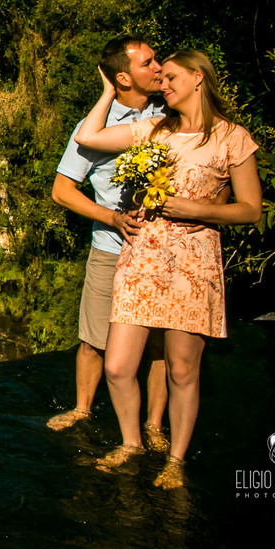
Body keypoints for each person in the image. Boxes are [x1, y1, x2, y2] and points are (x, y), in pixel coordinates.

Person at [75, 49, 262, 489]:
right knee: (119, 366)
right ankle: (131, 443)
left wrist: (195, 207)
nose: (163, 85)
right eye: (162, 79)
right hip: (143, 257)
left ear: (198, 78)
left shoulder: (232, 138)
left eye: (172, 77)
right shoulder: (154, 130)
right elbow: (89, 136)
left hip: (192, 262)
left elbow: (251, 209)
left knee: (181, 369)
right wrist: (107, 91)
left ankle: (175, 459)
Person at [48, 37, 169, 453]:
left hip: (160, 251)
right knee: (93, 338)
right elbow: (62, 190)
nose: (159, 67)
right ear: (123, 77)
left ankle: (154, 425)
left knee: (158, 342)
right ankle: (82, 408)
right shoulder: (93, 128)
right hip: (109, 248)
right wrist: (112, 218)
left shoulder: (169, 112)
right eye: (149, 62)